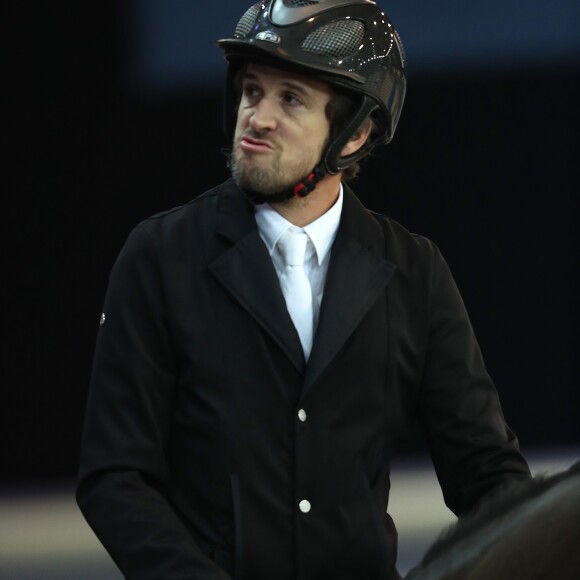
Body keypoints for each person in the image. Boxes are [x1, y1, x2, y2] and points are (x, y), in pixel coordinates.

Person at [76, 2, 531, 579]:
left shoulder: (414, 272)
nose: (257, 118)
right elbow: (115, 478)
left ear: (355, 133)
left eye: (290, 98)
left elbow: (488, 477)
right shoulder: (160, 257)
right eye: (251, 92)